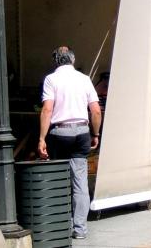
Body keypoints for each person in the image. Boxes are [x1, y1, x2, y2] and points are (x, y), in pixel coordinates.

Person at [37, 47, 102, 241]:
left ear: (56, 61)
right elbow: (96, 111)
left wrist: (41, 138)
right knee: (79, 181)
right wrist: (95, 133)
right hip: (82, 132)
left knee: (59, 178)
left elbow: (47, 110)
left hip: (60, 133)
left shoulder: (51, 79)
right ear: (72, 60)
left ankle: (61, 224)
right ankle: (80, 229)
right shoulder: (84, 79)